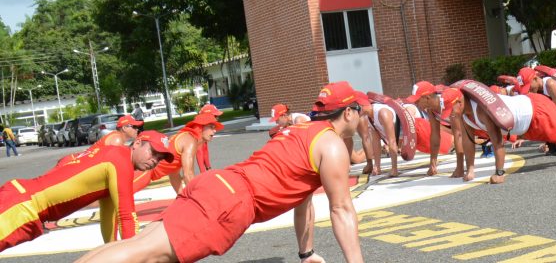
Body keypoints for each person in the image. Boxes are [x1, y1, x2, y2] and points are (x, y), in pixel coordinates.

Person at [76, 82, 364, 263]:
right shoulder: (332, 145)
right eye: (359, 112)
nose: (361, 118)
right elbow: (342, 211)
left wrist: (306, 253)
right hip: (232, 200)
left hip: (217, 184)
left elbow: (303, 202)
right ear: (349, 112)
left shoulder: (299, 130)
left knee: (138, 245)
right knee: (145, 254)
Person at [0, 131, 173, 251]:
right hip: (22, 207)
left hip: (20, 198)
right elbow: (127, 217)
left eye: (159, 159)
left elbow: (109, 215)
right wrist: (136, 255)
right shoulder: (121, 162)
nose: (154, 161)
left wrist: (112, 250)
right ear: (136, 143)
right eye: (153, 152)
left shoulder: (111, 155)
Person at [440, 86, 556, 184]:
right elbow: (469, 141)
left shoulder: (481, 110)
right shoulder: (464, 114)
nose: (451, 114)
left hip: (536, 110)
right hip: (526, 124)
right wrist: (469, 169)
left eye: (452, 109)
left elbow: (498, 143)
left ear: (459, 101)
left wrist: (499, 173)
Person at [132, 113, 223, 193]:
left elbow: (174, 174)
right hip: (144, 171)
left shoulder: (185, 137)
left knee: (121, 200)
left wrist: (181, 196)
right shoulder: (190, 141)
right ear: (201, 127)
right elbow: (188, 174)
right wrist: (198, 198)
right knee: (122, 198)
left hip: (144, 171)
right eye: (211, 127)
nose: (214, 131)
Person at [408, 81, 465, 178]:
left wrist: (460, 168)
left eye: (417, 100)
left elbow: (458, 134)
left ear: (427, 98)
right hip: (466, 126)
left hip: (477, 124)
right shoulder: (431, 109)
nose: (415, 103)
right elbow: (435, 136)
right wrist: (433, 164)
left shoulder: (448, 101)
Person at [57, 115, 143, 166]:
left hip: (76, 162)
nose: (137, 130)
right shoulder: (117, 140)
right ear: (124, 128)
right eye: (134, 127)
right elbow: (115, 164)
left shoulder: (117, 137)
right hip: (72, 163)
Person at [196, 103, 223, 172]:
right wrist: (203, 173)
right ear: (207, 116)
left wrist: (209, 168)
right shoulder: (198, 129)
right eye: (215, 116)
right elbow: (199, 152)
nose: (217, 118)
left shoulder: (205, 127)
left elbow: (205, 150)